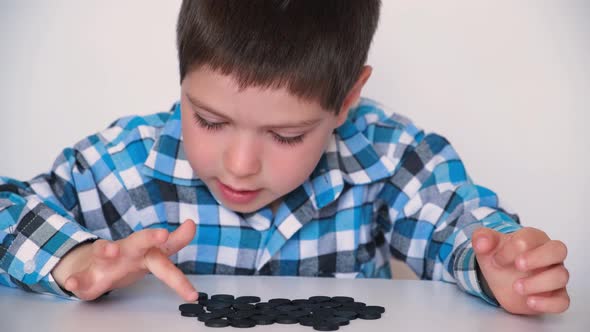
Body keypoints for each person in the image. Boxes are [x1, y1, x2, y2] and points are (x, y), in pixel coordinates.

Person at [0, 0, 569, 315]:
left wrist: (495, 266)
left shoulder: (387, 155)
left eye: (288, 135)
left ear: (347, 99)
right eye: (210, 120)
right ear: (183, 83)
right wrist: (72, 258)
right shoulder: (123, 165)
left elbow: (454, 222)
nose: (241, 164)